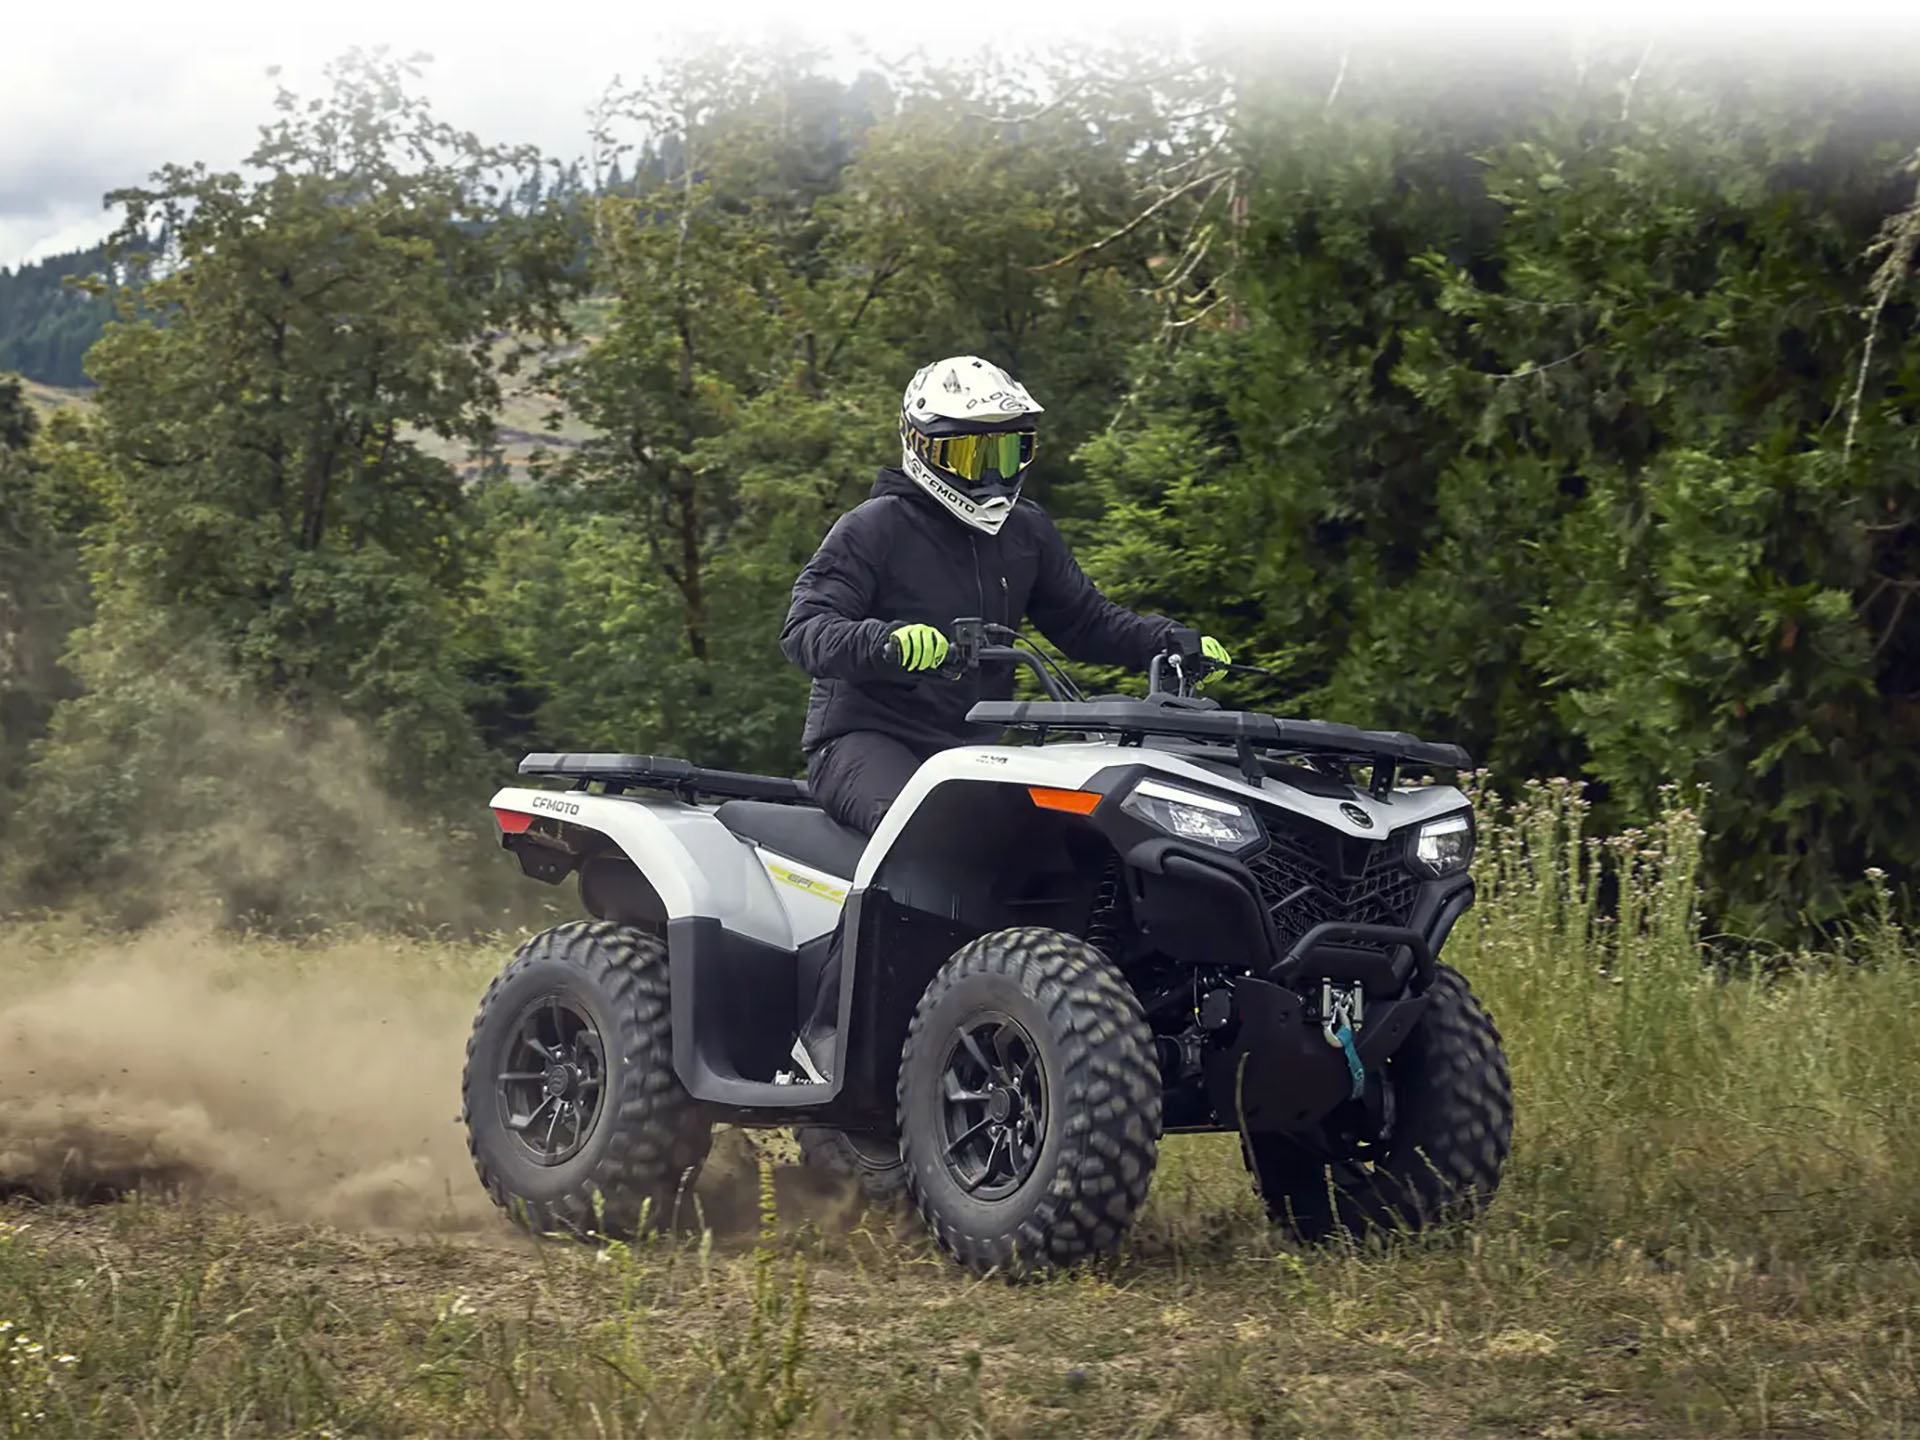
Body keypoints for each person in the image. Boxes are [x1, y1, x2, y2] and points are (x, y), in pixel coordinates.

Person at [778, 354, 1231, 1081]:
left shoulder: (1027, 533)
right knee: (922, 845)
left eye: (1009, 450)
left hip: (970, 754)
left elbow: (1087, 623)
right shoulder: (873, 528)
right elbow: (803, 631)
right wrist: (888, 644)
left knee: (1061, 862)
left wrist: (1169, 639)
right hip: (863, 740)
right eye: (968, 452)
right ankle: (823, 1045)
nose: (989, 473)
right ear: (922, 448)